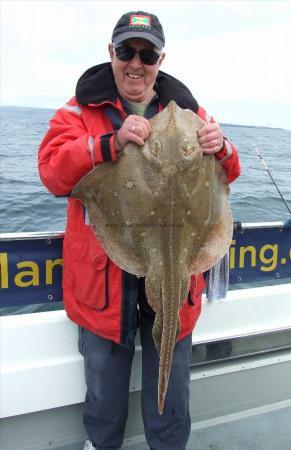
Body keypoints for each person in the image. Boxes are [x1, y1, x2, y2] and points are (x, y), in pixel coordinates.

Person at [38, 10, 240, 450]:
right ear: (111, 52)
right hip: (104, 284)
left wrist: (221, 147)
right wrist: (107, 144)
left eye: (147, 53)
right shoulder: (80, 111)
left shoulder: (191, 112)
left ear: (160, 59)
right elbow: (52, 172)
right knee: (104, 396)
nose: (136, 62)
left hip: (178, 273)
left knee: (172, 398)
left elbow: (229, 172)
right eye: (127, 50)